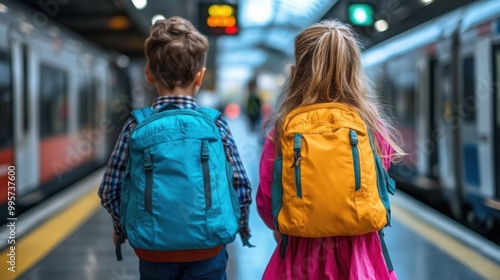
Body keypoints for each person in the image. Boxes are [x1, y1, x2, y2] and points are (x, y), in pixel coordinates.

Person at [98, 16, 252, 279]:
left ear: (149, 73)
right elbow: (241, 185)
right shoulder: (215, 124)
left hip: (154, 252)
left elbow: (110, 188)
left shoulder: (135, 125)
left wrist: (122, 227)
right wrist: (241, 226)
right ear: (199, 77)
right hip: (209, 250)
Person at [256, 19, 405, 279]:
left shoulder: (280, 131)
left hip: (300, 258)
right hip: (361, 258)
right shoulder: (372, 127)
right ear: (354, 73)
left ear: (294, 74)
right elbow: (378, 190)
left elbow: (267, 201)